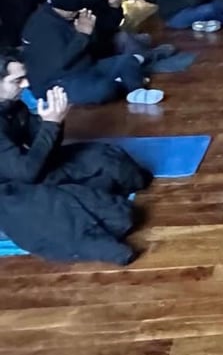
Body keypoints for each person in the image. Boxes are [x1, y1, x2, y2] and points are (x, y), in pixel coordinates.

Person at [0, 53, 151, 265]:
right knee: (54, 208)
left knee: (104, 158)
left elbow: (45, 147)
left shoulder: (13, 105)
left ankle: (86, 199)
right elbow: (27, 173)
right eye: (17, 81)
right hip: (10, 191)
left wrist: (55, 121)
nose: (26, 85)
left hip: (21, 171)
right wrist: (50, 125)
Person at [20, 0, 153, 106]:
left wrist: (90, 31)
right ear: (63, 8)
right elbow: (62, 62)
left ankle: (136, 91)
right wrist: (82, 34)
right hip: (57, 81)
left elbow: (93, 46)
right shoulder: (41, 26)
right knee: (104, 89)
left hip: (85, 68)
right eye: (75, 10)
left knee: (126, 60)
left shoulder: (67, 16)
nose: (78, 12)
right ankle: (124, 84)